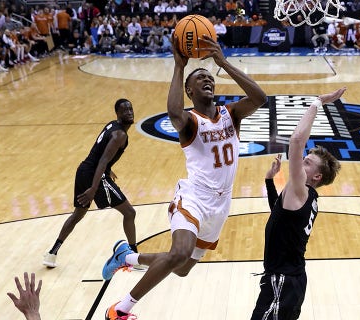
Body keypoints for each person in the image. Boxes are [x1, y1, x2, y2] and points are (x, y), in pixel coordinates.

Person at [102, 34, 267, 320]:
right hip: (193, 198)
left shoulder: (232, 114)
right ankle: (120, 310)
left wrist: (222, 62)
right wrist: (179, 67)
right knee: (178, 253)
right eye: (199, 79)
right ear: (189, 91)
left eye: (209, 78)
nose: (207, 80)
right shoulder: (189, 121)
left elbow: (260, 98)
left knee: (180, 267)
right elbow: (173, 112)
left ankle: (126, 257)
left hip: (221, 205)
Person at [250, 87, 345, 320]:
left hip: (283, 280)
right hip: (286, 279)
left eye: (308, 162)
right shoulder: (305, 197)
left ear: (317, 177)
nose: (301, 161)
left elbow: (296, 140)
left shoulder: (300, 191)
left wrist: (318, 102)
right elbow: (278, 213)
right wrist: (269, 181)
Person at [42, 99, 137, 268]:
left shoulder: (112, 125)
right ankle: (133, 256)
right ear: (118, 114)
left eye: (130, 109)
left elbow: (100, 153)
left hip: (84, 170)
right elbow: (103, 160)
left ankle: (52, 253)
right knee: (129, 213)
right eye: (125, 110)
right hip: (95, 177)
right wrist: (94, 188)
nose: (129, 112)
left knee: (78, 214)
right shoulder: (120, 135)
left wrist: (108, 168)